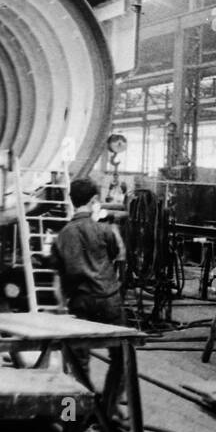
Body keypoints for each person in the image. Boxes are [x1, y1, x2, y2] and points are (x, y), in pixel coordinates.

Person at [49, 178, 127, 418]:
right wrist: (112, 227)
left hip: (80, 304)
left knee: (77, 363)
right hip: (109, 300)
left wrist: (61, 308)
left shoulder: (62, 235)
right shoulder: (104, 230)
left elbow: (58, 282)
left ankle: (77, 414)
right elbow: (120, 255)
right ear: (94, 201)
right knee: (122, 356)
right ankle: (110, 406)